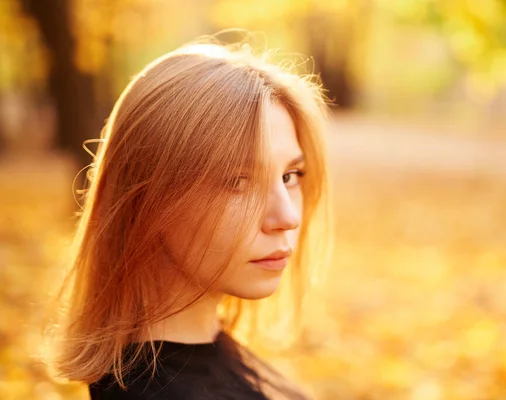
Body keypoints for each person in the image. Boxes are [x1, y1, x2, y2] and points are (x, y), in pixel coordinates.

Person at [41, 35, 331, 399]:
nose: (286, 217)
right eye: (238, 181)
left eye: (290, 176)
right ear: (151, 198)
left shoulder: (205, 356)